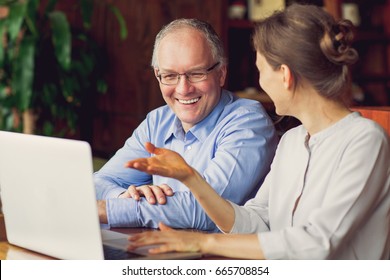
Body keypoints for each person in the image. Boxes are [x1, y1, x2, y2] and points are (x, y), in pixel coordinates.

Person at [125, 4, 390, 259]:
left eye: (261, 71)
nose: (259, 82)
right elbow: (259, 220)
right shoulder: (292, 142)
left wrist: (201, 241)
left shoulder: (365, 140)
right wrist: (191, 178)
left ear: (284, 75)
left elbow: (317, 243)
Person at [94, 18, 278, 231]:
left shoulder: (248, 122)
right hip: (164, 250)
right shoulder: (157, 121)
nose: (183, 89)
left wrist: (112, 210)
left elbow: (208, 208)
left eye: (196, 74)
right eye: (170, 76)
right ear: (157, 75)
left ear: (221, 73)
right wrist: (123, 196)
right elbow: (100, 181)